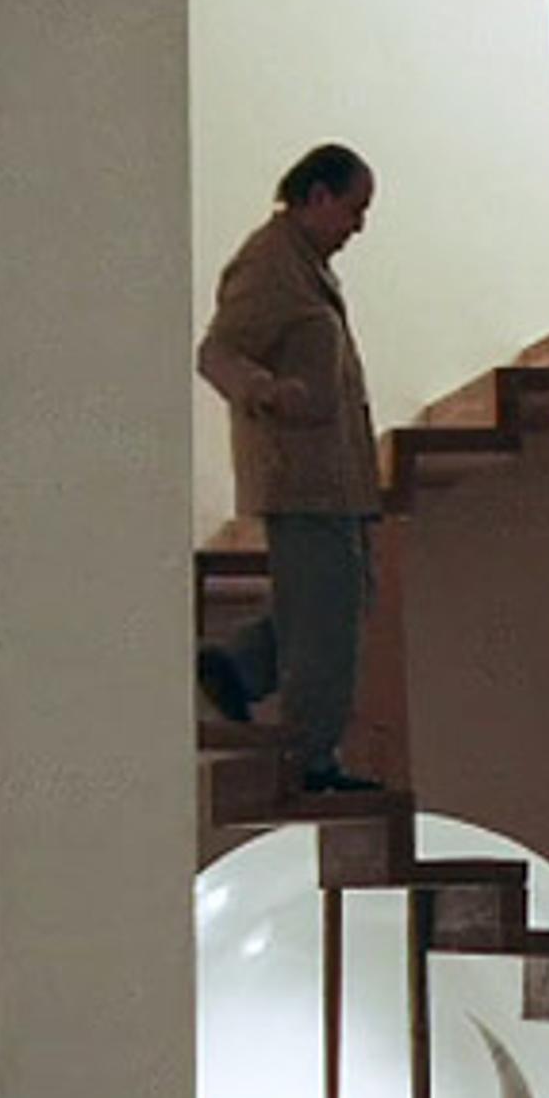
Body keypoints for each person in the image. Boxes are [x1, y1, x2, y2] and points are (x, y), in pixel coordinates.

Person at [194, 143, 382, 792]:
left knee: (335, 605)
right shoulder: (272, 265)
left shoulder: (305, 267)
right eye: (354, 209)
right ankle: (311, 759)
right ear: (317, 197)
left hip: (334, 480)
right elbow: (218, 350)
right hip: (301, 479)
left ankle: (238, 668)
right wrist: (263, 391)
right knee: (325, 621)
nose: (359, 226)